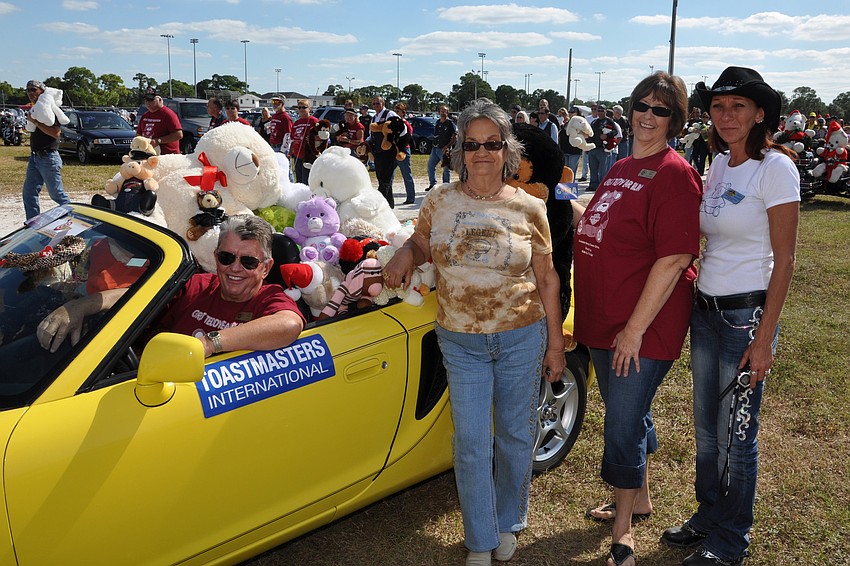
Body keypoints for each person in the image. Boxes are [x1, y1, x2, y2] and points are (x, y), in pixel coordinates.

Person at [383, 99, 566, 566]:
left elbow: (547, 276)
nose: (482, 152)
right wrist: (407, 252)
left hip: (522, 335)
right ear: (460, 149)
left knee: (514, 433)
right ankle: (480, 539)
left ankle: (509, 521)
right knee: (470, 441)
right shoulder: (439, 200)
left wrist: (557, 343)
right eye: (472, 143)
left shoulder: (530, 206)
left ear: (507, 149)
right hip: (460, 339)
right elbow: (422, 240)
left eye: (491, 143)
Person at [661, 67, 800, 566]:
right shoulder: (718, 164)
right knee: (706, 427)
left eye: (738, 106)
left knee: (738, 434)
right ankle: (709, 514)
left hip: (747, 315)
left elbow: (784, 260)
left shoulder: (776, 168)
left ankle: (731, 539)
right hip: (706, 310)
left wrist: (764, 339)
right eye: (719, 107)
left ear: (759, 113)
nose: (727, 116)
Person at [574, 72, 703, 566]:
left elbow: (674, 258)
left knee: (623, 422)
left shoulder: (674, 174)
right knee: (629, 409)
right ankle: (643, 496)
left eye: (661, 109)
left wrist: (633, 330)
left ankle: (624, 531)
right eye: (641, 106)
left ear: (676, 119)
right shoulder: (623, 164)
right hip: (604, 316)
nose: (647, 116)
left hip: (641, 326)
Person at [37, 215, 305, 358]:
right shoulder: (198, 284)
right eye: (227, 257)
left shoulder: (269, 297)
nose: (235, 268)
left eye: (248, 261)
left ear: (266, 268)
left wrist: (209, 345)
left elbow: (289, 325)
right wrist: (81, 305)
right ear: (215, 258)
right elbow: (139, 297)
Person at [21, 79, 70, 220]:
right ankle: (33, 223)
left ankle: (72, 218)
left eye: (33, 89)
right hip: (35, 157)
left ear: (41, 91)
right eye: (28, 89)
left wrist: (35, 122)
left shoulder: (49, 109)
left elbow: (56, 133)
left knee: (57, 195)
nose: (30, 92)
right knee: (29, 193)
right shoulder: (37, 109)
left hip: (48, 157)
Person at [368, 96, 405, 208]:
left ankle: (379, 205)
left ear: (383, 103)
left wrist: (394, 140)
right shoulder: (374, 118)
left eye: (378, 103)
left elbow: (402, 128)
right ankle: (390, 205)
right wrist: (365, 144)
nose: (376, 106)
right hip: (378, 152)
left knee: (385, 179)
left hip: (389, 152)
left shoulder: (390, 114)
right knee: (381, 178)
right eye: (374, 104)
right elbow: (370, 136)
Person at [136, 87, 183, 155]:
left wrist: (158, 141)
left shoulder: (168, 114)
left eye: (151, 99)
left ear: (160, 100)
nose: (148, 102)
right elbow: (139, 134)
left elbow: (178, 135)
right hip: (149, 155)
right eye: (146, 100)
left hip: (167, 155)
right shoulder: (145, 116)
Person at [427, 105, 457, 190]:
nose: (442, 112)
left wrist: (448, 146)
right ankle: (433, 184)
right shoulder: (437, 122)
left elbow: (455, 136)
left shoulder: (450, 123)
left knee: (446, 168)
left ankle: (446, 186)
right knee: (430, 166)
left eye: (444, 111)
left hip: (444, 149)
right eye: (441, 111)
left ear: (447, 113)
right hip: (435, 148)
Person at [392, 102, 416, 205]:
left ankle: (411, 197)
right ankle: (387, 196)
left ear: (403, 113)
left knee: (407, 175)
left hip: (403, 151)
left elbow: (408, 138)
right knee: (389, 174)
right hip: (393, 151)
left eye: (398, 111)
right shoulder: (392, 123)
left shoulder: (406, 124)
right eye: (395, 111)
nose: (396, 113)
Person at [290, 99, 319, 184]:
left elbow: (322, 137)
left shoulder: (314, 121)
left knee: (305, 180)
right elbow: (292, 138)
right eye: (299, 108)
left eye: (304, 107)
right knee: (298, 180)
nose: (301, 109)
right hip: (297, 154)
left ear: (309, 108)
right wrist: (290, 151)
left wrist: (312, 138)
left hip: (308, 155)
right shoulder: (296, 123)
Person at [559, 106, 583, 178]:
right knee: (565, 172)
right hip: (564, 150)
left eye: (572, 112)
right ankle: (565, 188)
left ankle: (571, 187)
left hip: (574, 151)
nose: (570, 114)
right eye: (569, 112)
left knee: (571, 172)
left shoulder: (581, 123)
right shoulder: (567, 123)